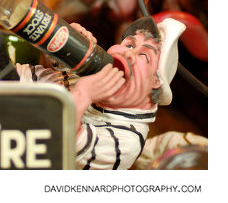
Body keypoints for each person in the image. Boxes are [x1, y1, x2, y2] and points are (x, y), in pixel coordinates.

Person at [16, 16, 186, 170]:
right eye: (130, 44)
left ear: (155, 82)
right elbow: (54, 65)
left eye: (144, 56)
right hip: (8, 85)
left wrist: (83, 95)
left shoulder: (126, 141)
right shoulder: (94, 74)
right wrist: (68, 40)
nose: (128, 53)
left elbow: (59, 144)